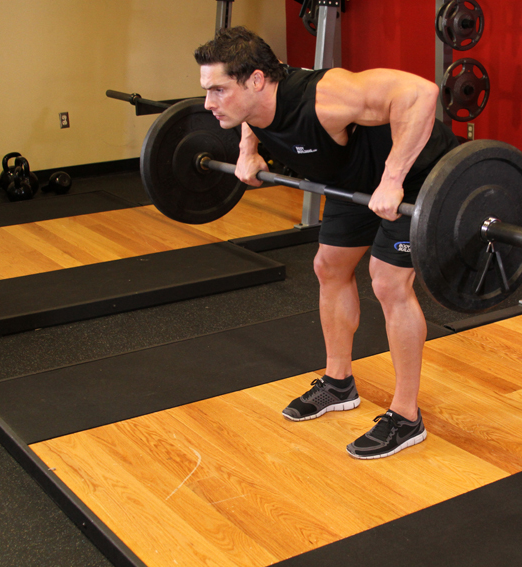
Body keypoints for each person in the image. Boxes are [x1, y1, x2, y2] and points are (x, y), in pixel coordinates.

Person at [194, 27, 457, 459]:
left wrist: (393, 179)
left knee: (387, 281)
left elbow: (421, 93)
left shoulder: (324, 96)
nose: (208, 103)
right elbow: (254, 119)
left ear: (256, 80)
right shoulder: (253, 104)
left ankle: (406, 416)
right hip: (352, 181)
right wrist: (247, 150)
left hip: (412, 178)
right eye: (207, 90)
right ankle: (338, 383)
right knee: (329, 266)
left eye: (218, 90)